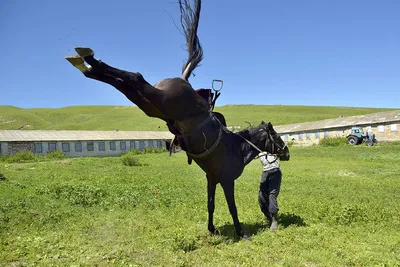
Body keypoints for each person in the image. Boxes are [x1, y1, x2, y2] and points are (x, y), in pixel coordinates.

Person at [258, 151, 282, 231]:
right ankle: (269, 218)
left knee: (272, 194)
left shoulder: (271, 146)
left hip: (275, 171)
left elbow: (282, 153)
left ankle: (274, 220)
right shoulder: (258, 149)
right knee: (261, 196)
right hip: (265, 172)